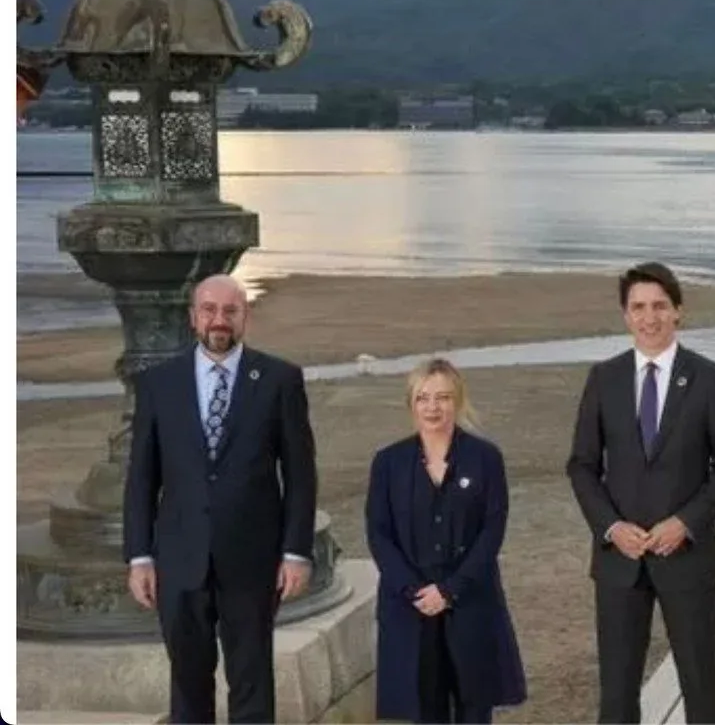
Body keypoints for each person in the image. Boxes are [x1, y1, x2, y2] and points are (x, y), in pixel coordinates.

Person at [122, 273, 317, 724]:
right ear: (193, 318)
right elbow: (141, 479)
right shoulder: (158, 384)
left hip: (252, 558)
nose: (219, 320)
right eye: (209, 310)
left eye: (230, 310)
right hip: (179, 557)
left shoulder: (279, 380)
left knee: (251, 680)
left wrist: (296, 552)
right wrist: (139, 557)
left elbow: (301, 474)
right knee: (188, 683)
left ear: (245, 316)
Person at [567, 261, 715, 724]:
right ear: (626, 316)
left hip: (687, 558)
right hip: (618, 561)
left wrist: (685, 522)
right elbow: (583, 466)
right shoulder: (603, 379)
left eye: (660, 306)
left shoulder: (711, 379)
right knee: (617, 692)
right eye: (639, 308)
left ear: (678, 312)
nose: (650, 318)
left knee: (701, 687)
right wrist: (610, 527)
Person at [365, 359, 527, 723]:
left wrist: (451, 590)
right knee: (424, 707)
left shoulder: (485, 458)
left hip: (470, 601)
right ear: (411, 403)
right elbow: (378, 533)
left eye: (442, 397)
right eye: (423, 398)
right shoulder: (388, 463)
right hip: (411, 608)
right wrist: (413, 590)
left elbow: (492, 532)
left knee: (475, 704)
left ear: (458, 401)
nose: (433, 407)